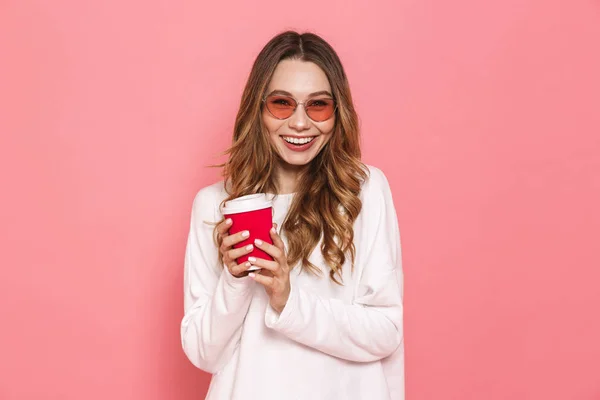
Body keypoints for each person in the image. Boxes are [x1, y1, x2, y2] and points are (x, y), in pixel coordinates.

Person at [180, 30, 404, 400]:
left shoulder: (363, 191)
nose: (300, 124)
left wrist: (287, 299)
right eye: (282, 104)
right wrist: (235, 281)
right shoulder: (216, 205)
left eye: (318, 105)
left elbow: (385, 331)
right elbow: (205, 354)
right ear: (259, 108)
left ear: (338, 112)